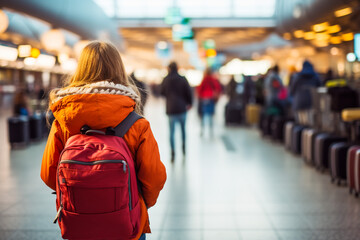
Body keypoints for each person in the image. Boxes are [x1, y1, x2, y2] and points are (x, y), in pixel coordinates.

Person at [40, 41, 167, 240]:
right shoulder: (136, 123)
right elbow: (154, 177)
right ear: (119, 70)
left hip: (79, 223)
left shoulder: (64, 120)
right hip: (127, 223)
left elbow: (49, 174)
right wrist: (138, 203)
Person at [160, 61, 193, 162]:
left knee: (172, 132)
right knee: (183, 130)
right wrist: (189, 103)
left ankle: (173, 151)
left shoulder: (166, 79)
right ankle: (183, 149)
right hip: (182, 108)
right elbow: (189, 92)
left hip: (171, 109)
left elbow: (162, 92)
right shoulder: (182, 79)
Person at [290, 60, 321, 125]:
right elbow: (320, 88)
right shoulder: (315, 76)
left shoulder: (297, 77)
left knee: (300, 123)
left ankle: (301, 134)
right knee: (310, 123)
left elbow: (292, 90)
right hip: (311, 101)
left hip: (299, 101)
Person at [197, 68, 222, 137]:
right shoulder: (213, 80)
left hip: (204, 99)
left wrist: (200, 97)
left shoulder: (204, 80)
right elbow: (218, 89)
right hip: (211, 99)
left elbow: (199, 90)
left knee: (203, 116)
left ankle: (202, 130)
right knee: (211, 115)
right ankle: (211, 131)